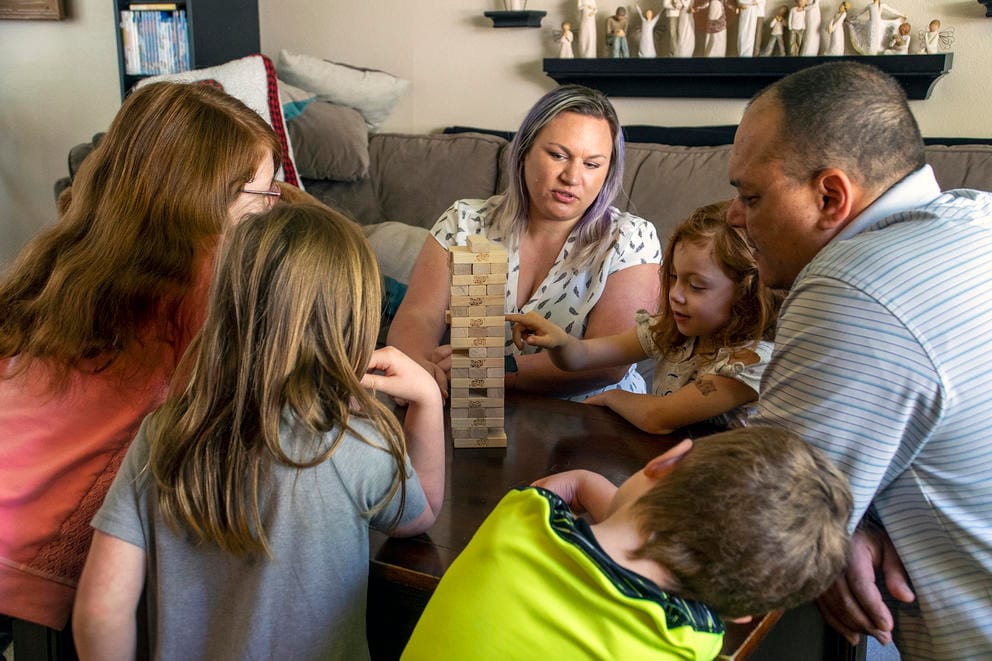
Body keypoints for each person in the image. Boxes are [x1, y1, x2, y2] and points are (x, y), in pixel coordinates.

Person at [72, 203, 446, 659]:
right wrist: (425, 399)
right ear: (352, 324)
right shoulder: (360, 448)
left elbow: (100, 612)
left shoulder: (164, 434)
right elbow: (421, 515)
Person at [727, 61, 992, 659]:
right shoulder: (976, 217)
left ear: (830, 196)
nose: (733, 217)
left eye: (750, 196)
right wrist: (852, 527)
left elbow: (750, 539)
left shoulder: (857, 285)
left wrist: (587, 497)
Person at [0, 81, 281, 632]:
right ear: (207, 195)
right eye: (264, 195)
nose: (270, 211)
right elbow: (239, 406)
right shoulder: (204, 276)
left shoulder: (69, 248)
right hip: (33, 540)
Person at [401, 427, 853, 659]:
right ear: (738, 611)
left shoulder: (519, 517)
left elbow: (555, 493)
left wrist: (583, 481)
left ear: (667, 460)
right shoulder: (691, 641)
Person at [387, 85, 661, 402]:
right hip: (478, 413)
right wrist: (419, 369)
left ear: (608, 171)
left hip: (594, 423)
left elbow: (608, 366)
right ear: (524, 152)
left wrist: (496, 371)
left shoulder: (631, 239)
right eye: (558, 155)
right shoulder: (465, 222)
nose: (572, 177)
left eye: (592, 164)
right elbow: (419, 316)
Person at [508, 201, 778, 434]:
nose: (676, 295)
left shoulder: (750, 363)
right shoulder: (673, 335)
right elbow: (583, 357)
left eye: (696, 286)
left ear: (747, 293)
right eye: (673, 278)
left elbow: (658, 417)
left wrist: (613, 397)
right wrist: (559, 341)